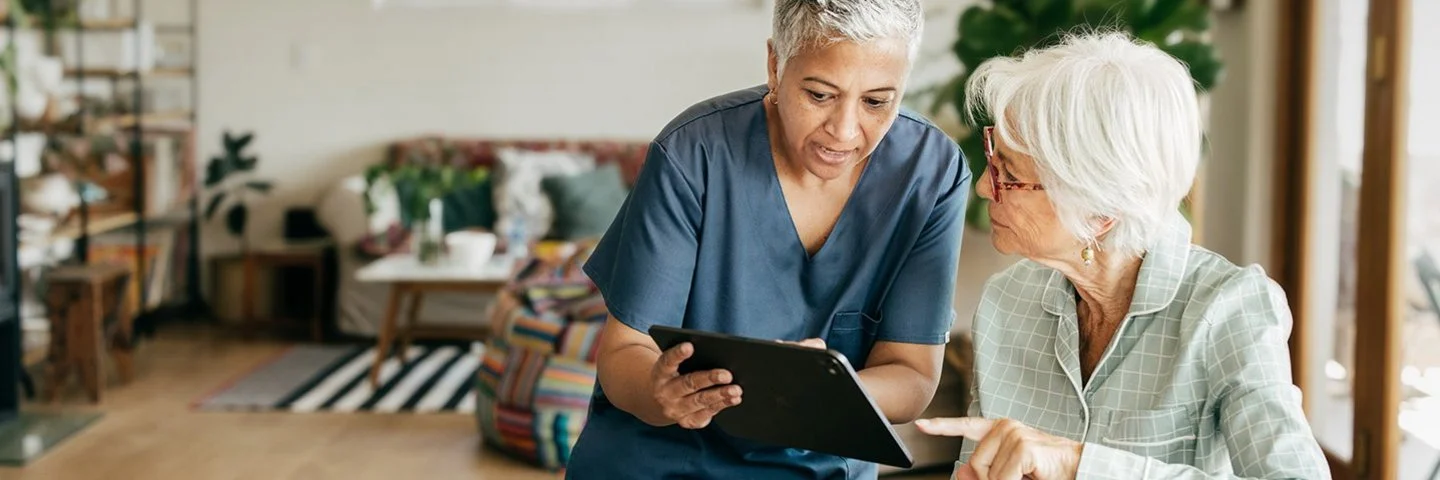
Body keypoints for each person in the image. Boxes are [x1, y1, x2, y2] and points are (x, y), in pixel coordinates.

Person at [564, 0, 971, 478]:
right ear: (776, 66)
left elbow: (912, 374)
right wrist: (661, 393)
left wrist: (831, 391)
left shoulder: (931, 173)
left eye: (877, 101)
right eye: (820, 95)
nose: (844, 131)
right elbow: (623, 353)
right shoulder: (694, 154)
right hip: (660, 465)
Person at [913, 31, 1331, 479]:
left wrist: (1077, 465)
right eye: (992, 159)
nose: (983, 187)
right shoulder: (1006, 301)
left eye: (1008, 175)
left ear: (1099, 210)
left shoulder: (1229, 309)